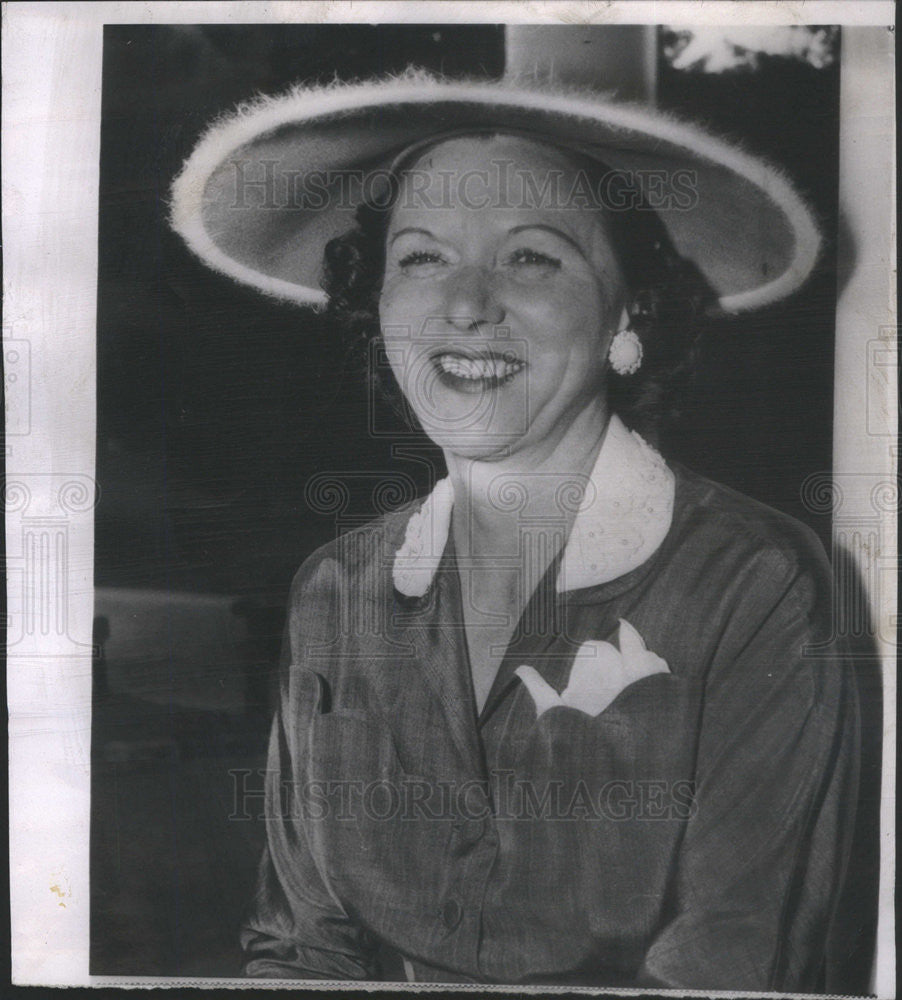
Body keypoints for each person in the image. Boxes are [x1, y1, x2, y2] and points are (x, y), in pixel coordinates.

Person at [171, 72, 858, 989]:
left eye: (531, 258)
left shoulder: (750, 581)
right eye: (420, 259)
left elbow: (735, 964)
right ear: (375, 312)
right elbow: (300, 950)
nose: (466, 304)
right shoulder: (335, 590)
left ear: (627, 312)